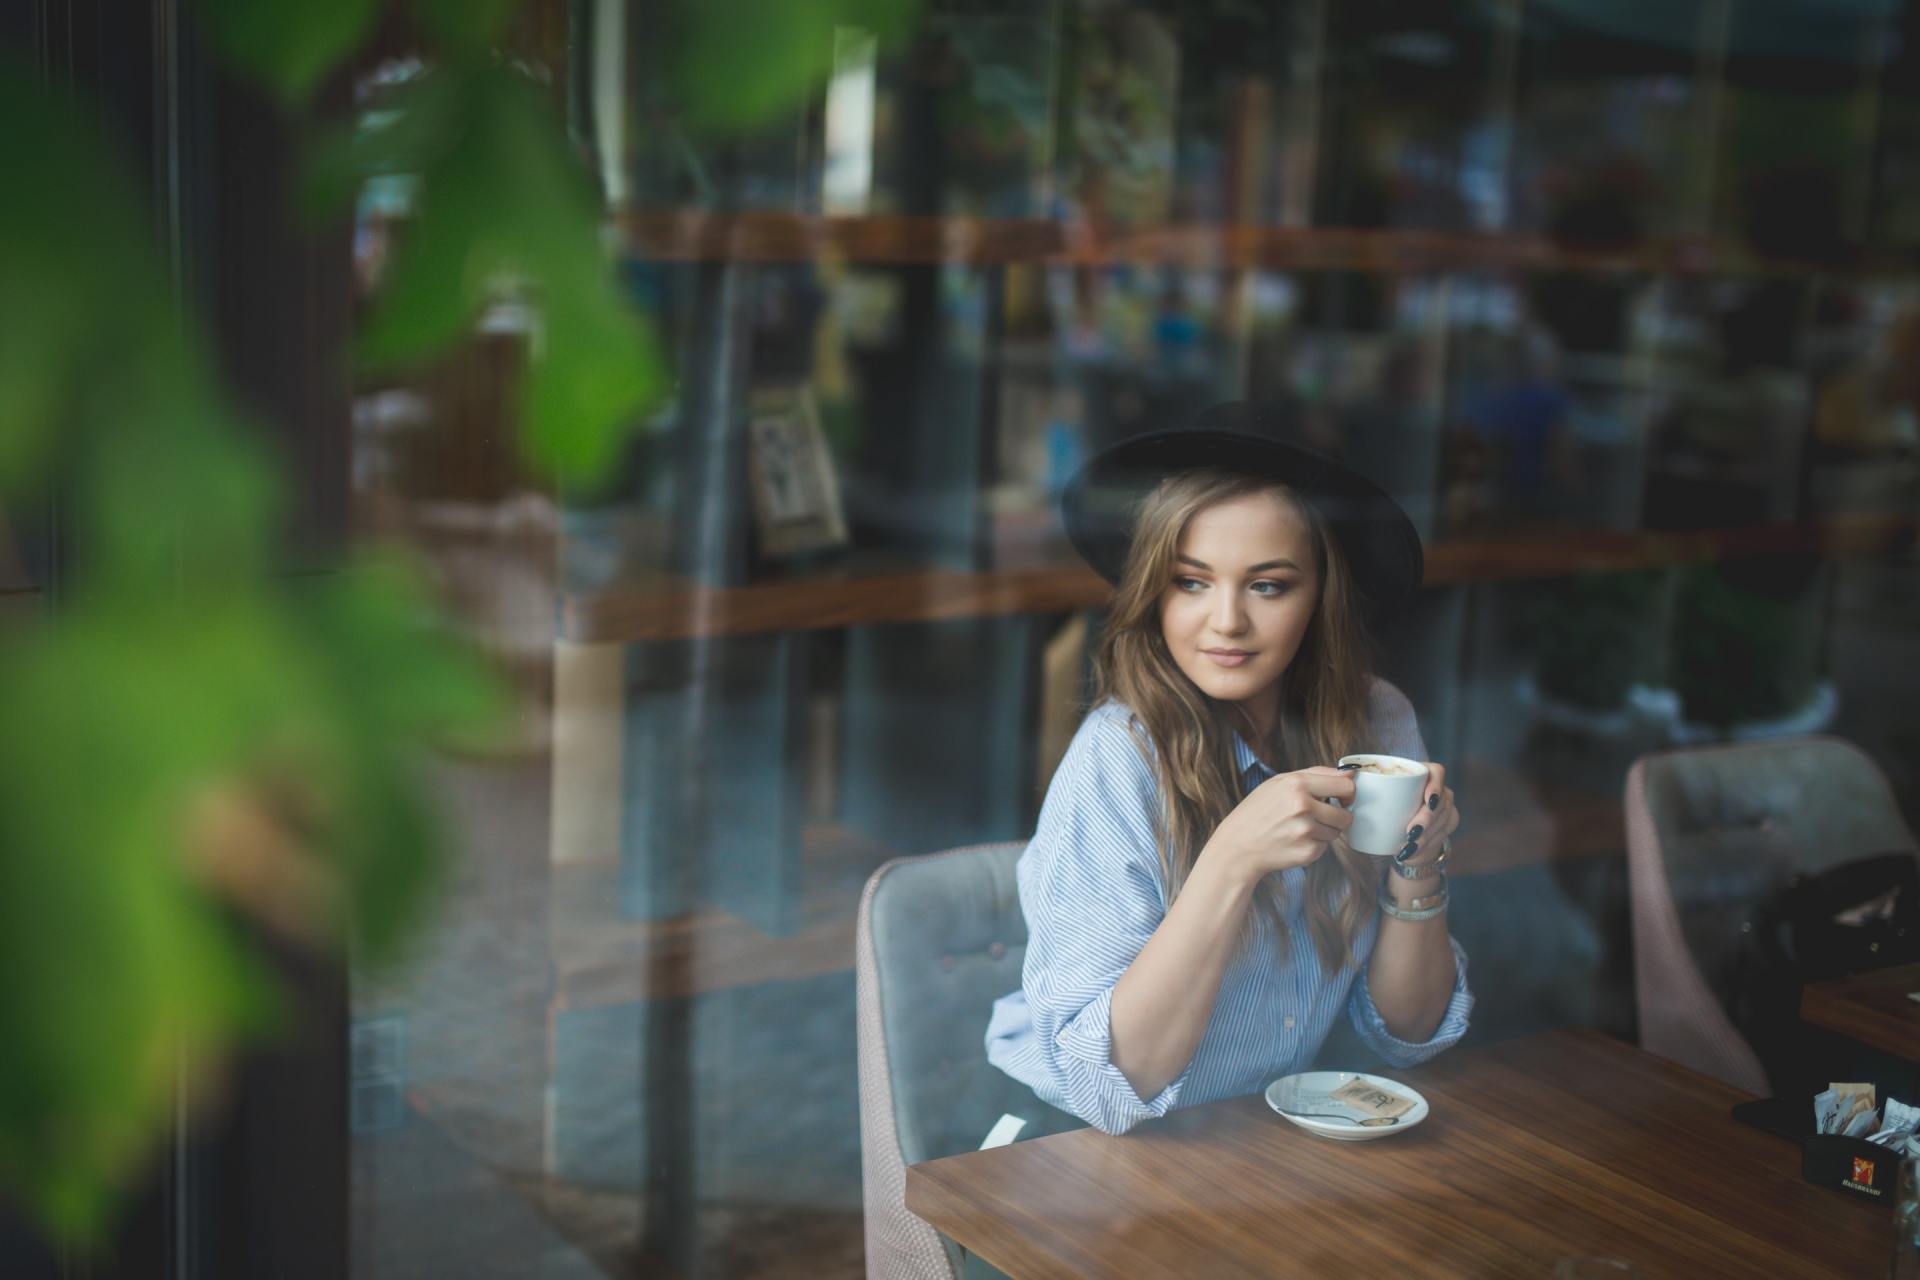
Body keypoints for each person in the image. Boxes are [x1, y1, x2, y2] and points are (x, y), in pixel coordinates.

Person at [985, 401, 1472, 1137]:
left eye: (1269, 586)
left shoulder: (1376, 723)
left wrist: (1418, 869)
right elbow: (1114, 1083)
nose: (1226, 622)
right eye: (1191, 581)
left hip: (1257, 1143)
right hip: (1073, 1150)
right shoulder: (1117, 754)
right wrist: (1234, 858)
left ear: (1321, 596)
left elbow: (1407, 1032)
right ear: (1153, 590)